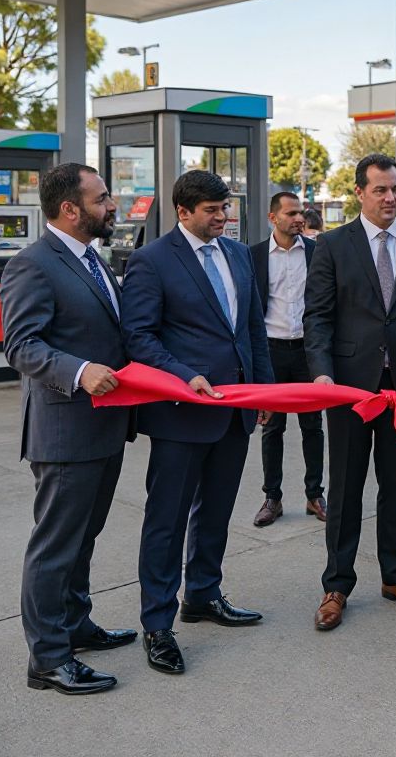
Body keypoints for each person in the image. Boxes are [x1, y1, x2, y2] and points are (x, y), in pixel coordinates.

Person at [122, 170, 274, 676]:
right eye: (211, 210)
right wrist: (186, 377)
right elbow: (139, 337)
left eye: (225, 208)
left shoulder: (236, 254)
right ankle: (158, 624)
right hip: (180, 414)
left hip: (234, 412)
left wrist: (265, 392)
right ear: (183, 211)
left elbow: (251, 327)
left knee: (216, 512)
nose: (222, 218)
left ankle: (203, 595)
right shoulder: (151, 261)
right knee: (166, 521)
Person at [0, 163, 135, 696]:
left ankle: (75, 625)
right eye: (103, 198)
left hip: (104, 426)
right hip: (65, 430)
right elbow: (22, 346)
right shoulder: (33, 264)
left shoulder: (90, 258)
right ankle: (49, 658)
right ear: (71, 209)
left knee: (84, 539)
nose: (114, 206)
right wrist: (79, 373)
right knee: (55, 546)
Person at [304, 153, 396, 631]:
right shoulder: (331, 245)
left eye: (395, 189)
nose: (390, 198)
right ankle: (337, 585)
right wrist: (322, 373)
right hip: (348, 389)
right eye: (380, 190)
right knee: (344, 489)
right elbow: (318, 317)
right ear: (360, 193)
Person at [250, 192, 325, 527]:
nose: (299, 218)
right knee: (272, 428)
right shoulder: (253, 256)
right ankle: (272, 498)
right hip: (271, 351)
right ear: (273, 217)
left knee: (313, 426)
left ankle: (314, 495)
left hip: (308, 351)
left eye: (301, 213)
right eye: (291, 213)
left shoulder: (316, 251)